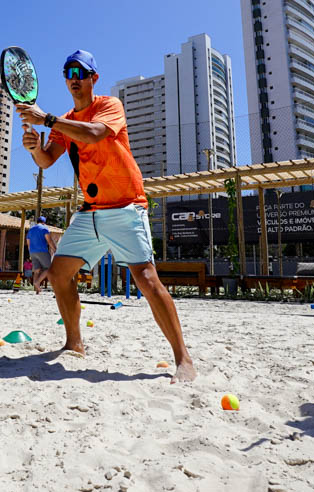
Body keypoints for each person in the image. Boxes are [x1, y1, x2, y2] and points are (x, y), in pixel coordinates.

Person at [16, 49, 196, 383]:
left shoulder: (109, 106)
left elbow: (95, 134)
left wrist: (48, 120)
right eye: (68, 74)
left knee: (147, 280)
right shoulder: (65, 120)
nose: (74, 80)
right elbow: (46, 160)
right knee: (58, 274)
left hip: (126, 206)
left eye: (80, 73)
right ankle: (74, 343)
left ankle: (184, 359)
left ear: (93, 78)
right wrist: (33, 148)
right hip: (91, 213)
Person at [26, 215, 57, 291]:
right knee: (49, 269)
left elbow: (28, 243)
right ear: (44, 222)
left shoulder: (31, 229)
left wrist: (30, 253)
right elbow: (49, 241)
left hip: (32, 252)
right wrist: (56, 250)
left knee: (37, 270)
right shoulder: (44, 228)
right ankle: (37, 283)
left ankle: (37, 290)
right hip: (42, 251)